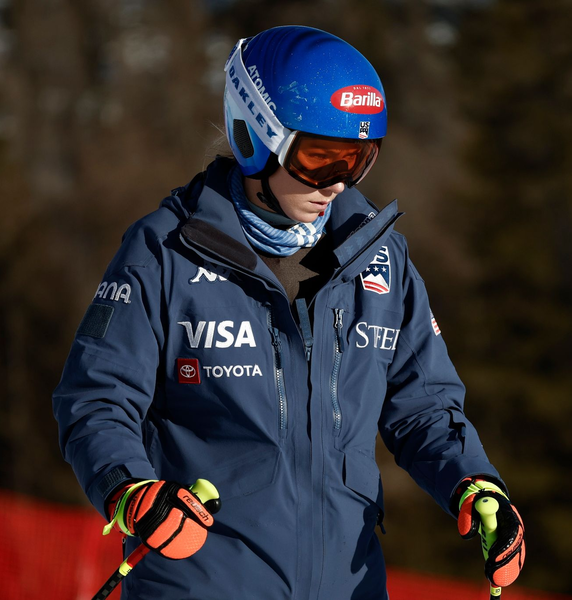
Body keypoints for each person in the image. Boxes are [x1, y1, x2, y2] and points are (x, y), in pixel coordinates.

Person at [53, 25, 525, 599]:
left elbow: (423, 407)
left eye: (357, 160)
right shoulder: (164, 251)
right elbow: (97, 398)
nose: (336, 183)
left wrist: (475, 484)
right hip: (204, 583)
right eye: (318, 158)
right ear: (254, 136)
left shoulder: (379, 258)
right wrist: (130, 491)